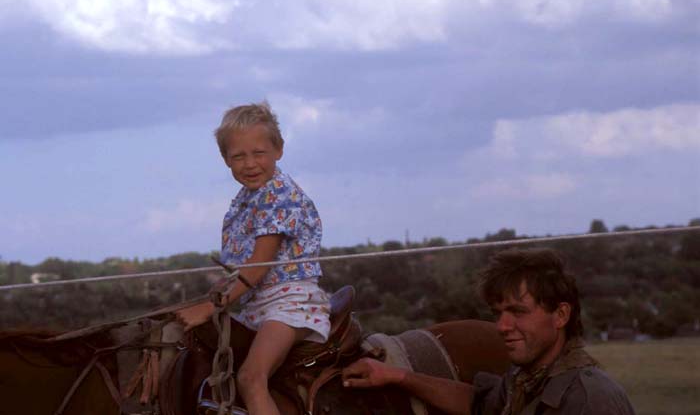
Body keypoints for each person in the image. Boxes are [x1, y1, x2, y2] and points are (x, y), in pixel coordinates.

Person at [341, 248, 636, 415]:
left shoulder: (590, 399)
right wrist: (396, 375)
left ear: (560, 315)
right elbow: (478, 403)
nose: (503, 327)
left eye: (518, 312)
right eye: (499, 314)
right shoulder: (527, 380)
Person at [176, 102, 330, 415]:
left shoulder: (278, 194)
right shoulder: (247, 199)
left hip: (289, 305)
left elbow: (258, 267)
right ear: (225, 160)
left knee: (250, 378)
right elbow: (239, 272)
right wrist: (207, 298)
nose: (249, 164)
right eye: (238, 156)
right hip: (256, 306)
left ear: (279, 150)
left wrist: (211, 307)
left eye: (259, 153)